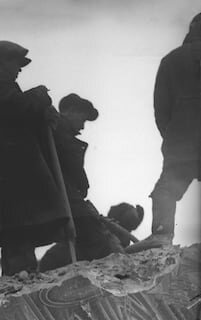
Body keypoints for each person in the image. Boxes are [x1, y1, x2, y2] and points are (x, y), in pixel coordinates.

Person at [0, 41, 68, 276]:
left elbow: (16, 115)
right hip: (8, 175)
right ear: (3, 61)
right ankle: (21, 281)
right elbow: (18, 109)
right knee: (18, 232)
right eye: (17, 63)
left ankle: (22, 278)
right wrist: (39, 97)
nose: (20, 69)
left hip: (7, 174)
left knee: (19, 235)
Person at [137, 13, 201, 248]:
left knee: (166, 190)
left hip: (181, 142)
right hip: (181, 140)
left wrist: (174, 135)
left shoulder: (171, 60)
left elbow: (160, 109)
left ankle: (162, 237)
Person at [39, 93, 123, 271]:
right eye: (83, 120)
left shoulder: (59, 132)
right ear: (70, 111)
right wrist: (83, 185)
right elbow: (71, 168)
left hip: (67, 198)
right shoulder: (56, 132)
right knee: (95, 240)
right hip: (64, 198)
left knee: (87, 241)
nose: (83, 127)